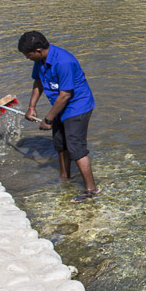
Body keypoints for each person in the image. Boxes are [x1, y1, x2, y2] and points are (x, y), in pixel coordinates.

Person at [18, 31, 100, 202]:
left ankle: (91, 189)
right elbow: (38, 82)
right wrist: (31, 106)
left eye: (28, 55)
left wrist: (48, 119)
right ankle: (65, 177)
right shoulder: (40, 61)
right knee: (60, 143)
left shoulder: (64, 61)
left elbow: (65, 95)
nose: (27, 58)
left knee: (76, 147)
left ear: (39, 50)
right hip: (59, 106)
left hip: (77, 106)